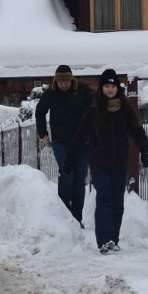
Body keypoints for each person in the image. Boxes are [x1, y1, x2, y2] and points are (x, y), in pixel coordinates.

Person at [65, 69, 148, 254]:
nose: (110, 89)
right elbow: (81, 135)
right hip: (99, 162)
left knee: (117, 202)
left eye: (113, 86)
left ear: (117, 88)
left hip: (120, 162)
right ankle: (104, 241)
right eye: (107, 86)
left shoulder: (125, 110)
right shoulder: (94, 110)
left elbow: (137, 130)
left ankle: (114, 239)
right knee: (104, 199)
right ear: (102, 88)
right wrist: (69, 158)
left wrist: (145, 149)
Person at [35, 64, 94, 228]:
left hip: (82, 143)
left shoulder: (83, 91)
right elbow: (40, 111)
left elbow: (94, 111)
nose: (64, 85)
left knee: (79, 179)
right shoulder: (51, 94)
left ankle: (76, 219)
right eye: (60, 82)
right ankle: (65, 217)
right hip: (61, 142)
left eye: (66, 82)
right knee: (67, 175)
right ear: (56, 81)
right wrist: (44, 134)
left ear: (72, 79)